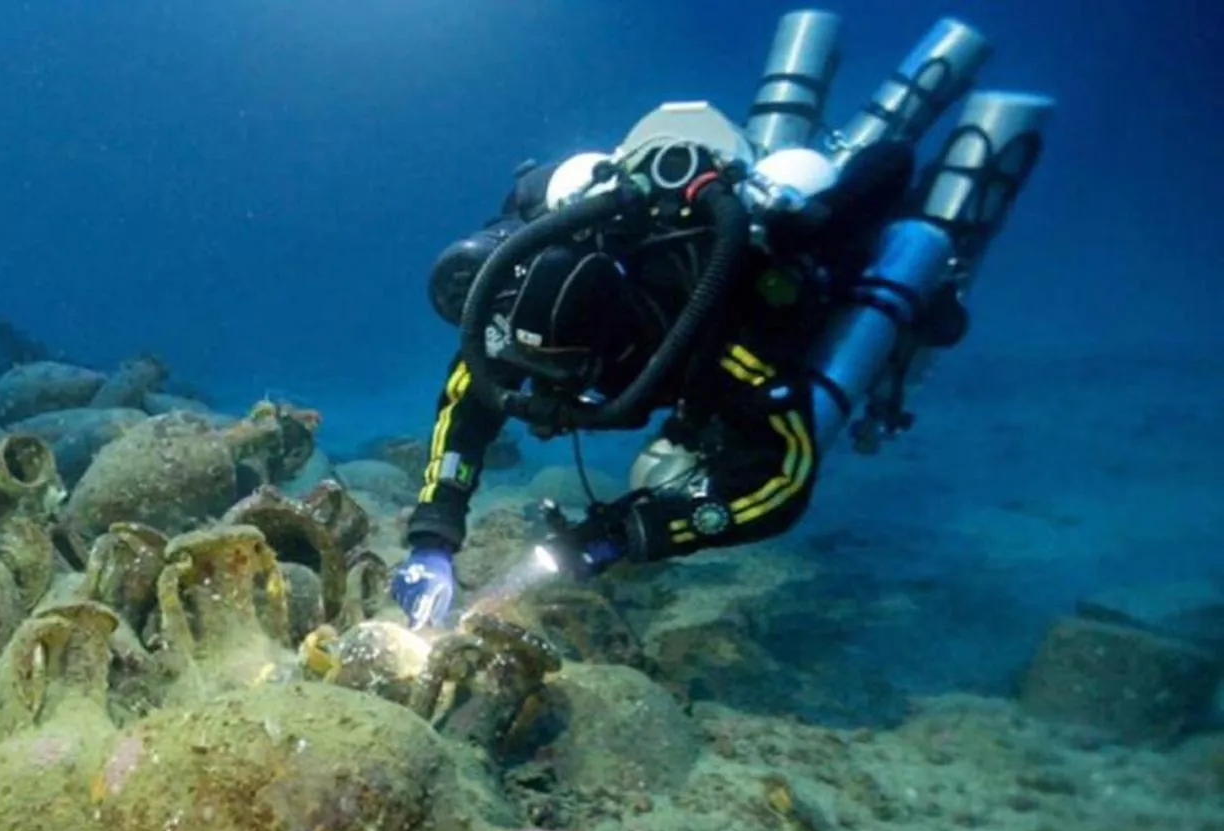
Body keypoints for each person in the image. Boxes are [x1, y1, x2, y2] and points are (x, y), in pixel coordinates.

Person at [391, 11, 1053, 628]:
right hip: (688, 195)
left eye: (565, 380)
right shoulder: (518, 305)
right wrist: (433, 536)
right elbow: (469, 400)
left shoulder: (710, 334)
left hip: (784, 258)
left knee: (871, 205)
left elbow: (783, 478)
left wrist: (635, 530)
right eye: (531, 377)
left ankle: (941, 194)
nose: (543, 404)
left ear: (613, 347)